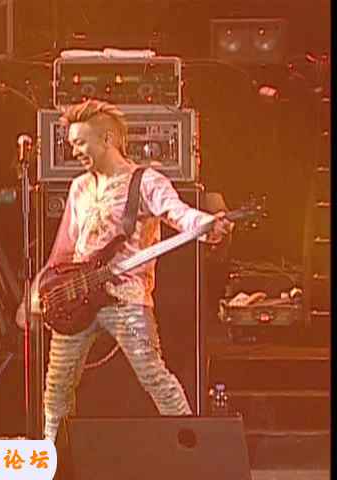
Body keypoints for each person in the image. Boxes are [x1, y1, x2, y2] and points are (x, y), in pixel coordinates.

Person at [16, 99, 234, 443]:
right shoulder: (80, 187)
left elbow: (178, 213)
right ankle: (52, 453)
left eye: (80, 143)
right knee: (57, 386)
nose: (75, 152)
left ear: (106, 139)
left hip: (126, 299)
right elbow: (63, 252)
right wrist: (33, 295)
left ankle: (191, 447)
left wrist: (207, 224)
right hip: (77, 298)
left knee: (154, 376)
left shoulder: (146, 181)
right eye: (72, 144)